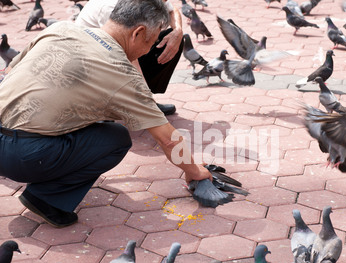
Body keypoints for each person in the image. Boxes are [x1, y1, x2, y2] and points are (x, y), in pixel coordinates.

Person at [0, 0, 212, 228]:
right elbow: (168, 140)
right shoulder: (122, 72)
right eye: (151, 42)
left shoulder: (60, 28)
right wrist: (195, 171)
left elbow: (10, 71)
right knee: (116, 138)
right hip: (24, 157)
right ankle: (46, 200)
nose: (148, 49)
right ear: (138, 33)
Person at [76, 0, 183, 116]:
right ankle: (114, 105)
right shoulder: (111, 7)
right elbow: (127, 54)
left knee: (169, 39)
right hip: (89, 62)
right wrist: (148, 103)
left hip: (115, 49)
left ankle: (140, 101)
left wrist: (178, 31)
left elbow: (172, 10)